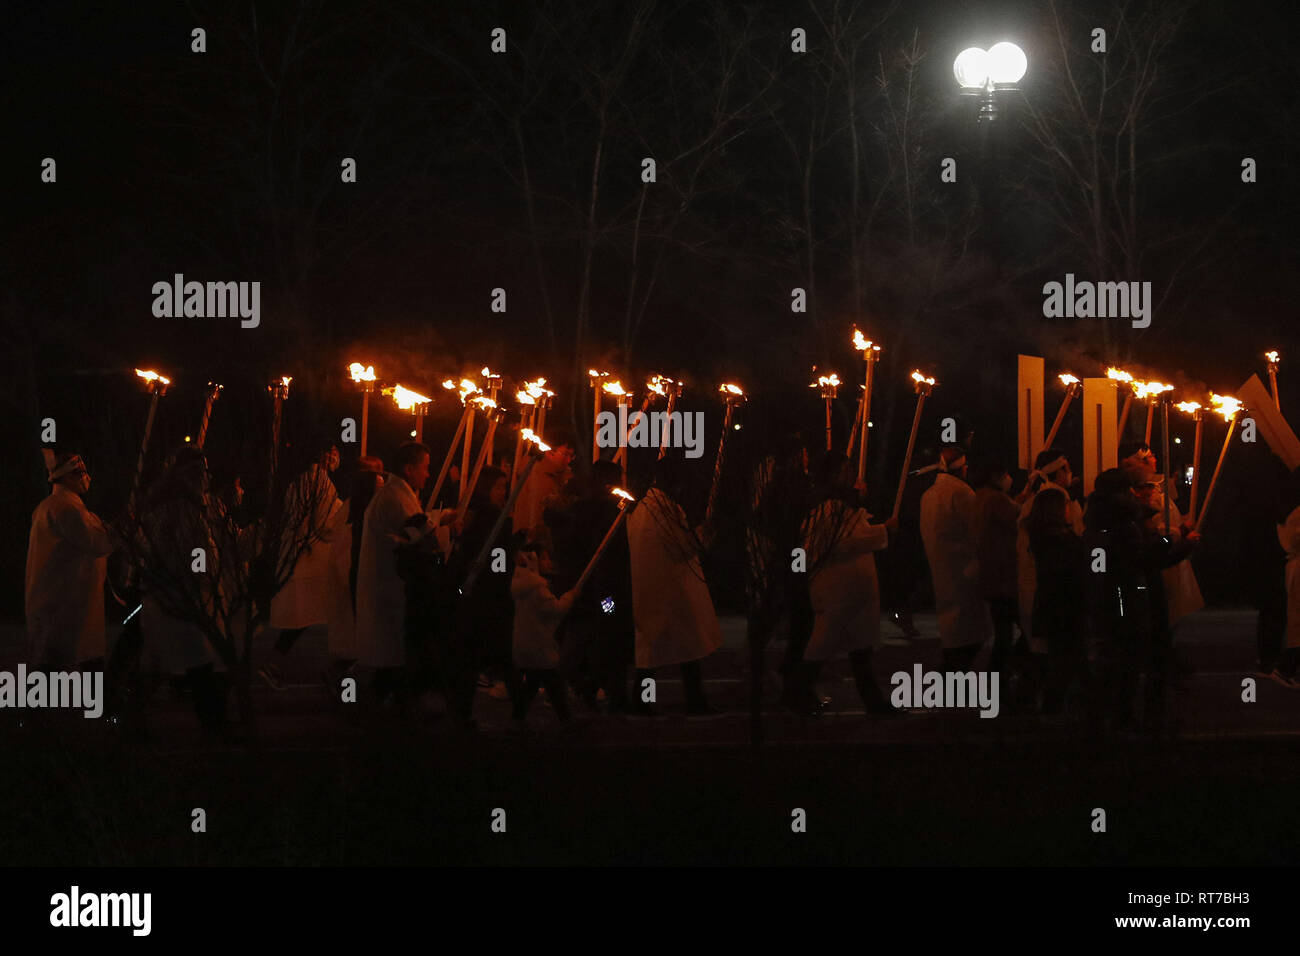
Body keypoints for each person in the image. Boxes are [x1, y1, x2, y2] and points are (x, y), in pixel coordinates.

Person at [792, 452, 895, 715]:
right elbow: (839, 544)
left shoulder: (843, 508)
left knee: (861, 649)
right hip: (837, 592)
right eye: (847, 468)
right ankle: (798, 693)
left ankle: (873, 701)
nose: (853, 473)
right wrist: (883, 531)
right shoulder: (826, 510)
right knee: (822, 645)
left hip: (853, 594)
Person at [627, 454, 723, 715]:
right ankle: (688, 701)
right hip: (670, 593)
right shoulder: (664, 510)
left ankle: (648, 701)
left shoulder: (646, 507)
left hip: (655, 590)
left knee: (658, 655)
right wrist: (705, 532)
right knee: (680, 651)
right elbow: (684, 546)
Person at [261, 441, 343, 689]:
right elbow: (326, 524)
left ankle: (275, 663)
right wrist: (346, 517)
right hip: (311, 558)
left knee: (306, 616)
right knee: (325, 611)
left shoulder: (300, 481)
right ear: (327, 455)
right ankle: (340, 669)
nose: (338, 458)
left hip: (297, 554)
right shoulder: (321, 483)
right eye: (336, 452)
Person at [25, 451, 117, 670]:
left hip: (67, 605)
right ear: (66, 477)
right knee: (54, 667)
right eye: (80, 473)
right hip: (65, 606)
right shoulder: (65, 509)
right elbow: (97, 542)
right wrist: (123, 531)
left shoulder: (60, 507)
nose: (87, 478)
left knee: (58, 665)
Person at [355, 442, 430, 705]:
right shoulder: (396, 497)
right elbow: (418, 535)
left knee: (389, 651)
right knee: (392, 648)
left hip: (388, 584)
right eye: (425, 468)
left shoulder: (398, 493)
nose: (427, 475)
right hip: (389, 584)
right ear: (409, 469)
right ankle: (390, 705)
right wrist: (446, 528)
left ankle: (384, 699)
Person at [920, 446, 991, 669]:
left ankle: (951, 678)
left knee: (956, 632)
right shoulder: (961, 493)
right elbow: (978, 527)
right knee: (969, 635)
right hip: (964, 571)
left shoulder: (928, 495)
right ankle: (950, 681)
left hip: (942, 569)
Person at [323, 456, 384, 687]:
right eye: (374, 474)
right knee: (354, 648)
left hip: (358, 588)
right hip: (352, 588)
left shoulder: (367, 510)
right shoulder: (353, 513)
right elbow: (344, 555)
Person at [1025, 486, 1087, 714]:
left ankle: (1055, 706)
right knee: (1065, 660)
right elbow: (1073, 569)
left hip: (1053, 605)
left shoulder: (1044, 535)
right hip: (1064, 606)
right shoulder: (1058, 540)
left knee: (1063, 659)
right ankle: (1053, 708)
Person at [1016, 448, 1083, 655]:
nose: (1070, 473)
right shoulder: (1054, 499)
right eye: (1067, 469)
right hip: (1050, 585)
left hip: (1036, 583)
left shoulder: (1036, 499)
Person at [508, 544, 578, 729]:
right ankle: (567, 721)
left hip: (526, 643)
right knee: (553, 684)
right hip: (538, 645)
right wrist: (570, 597)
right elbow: (555, 609)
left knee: (531, 685)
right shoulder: (537, 588)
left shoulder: (521, 585)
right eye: (544, 558)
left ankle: (517, 720)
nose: (549, 562)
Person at [970, 456, 1020, 675]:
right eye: (1005, 475)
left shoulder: (978, 498)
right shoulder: (995, 500)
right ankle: (999, 678)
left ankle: (998, 678)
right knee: (1010, 633)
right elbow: (1019, 518)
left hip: (990, 573)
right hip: (1003, 576)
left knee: (1004, 632)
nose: (1009, 479)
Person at [511, 430, 577, 547]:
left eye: (571, 456)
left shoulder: (561, 477)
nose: (568, 460)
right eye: (565, 454)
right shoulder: (534, 472)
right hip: (531, 538)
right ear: (550, 452)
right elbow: (535, 510)